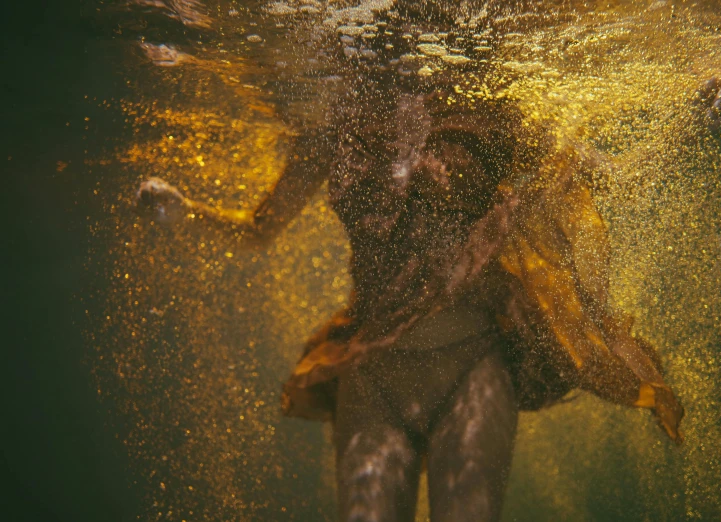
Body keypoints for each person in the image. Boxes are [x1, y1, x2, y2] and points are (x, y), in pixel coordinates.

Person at [135, 3, 688, 521]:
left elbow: (594, 174)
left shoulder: (491, 112)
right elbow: (259, 230)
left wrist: (689, 123)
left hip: (472, 366)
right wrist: (185, 211)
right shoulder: (332, 133)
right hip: (372, 375)